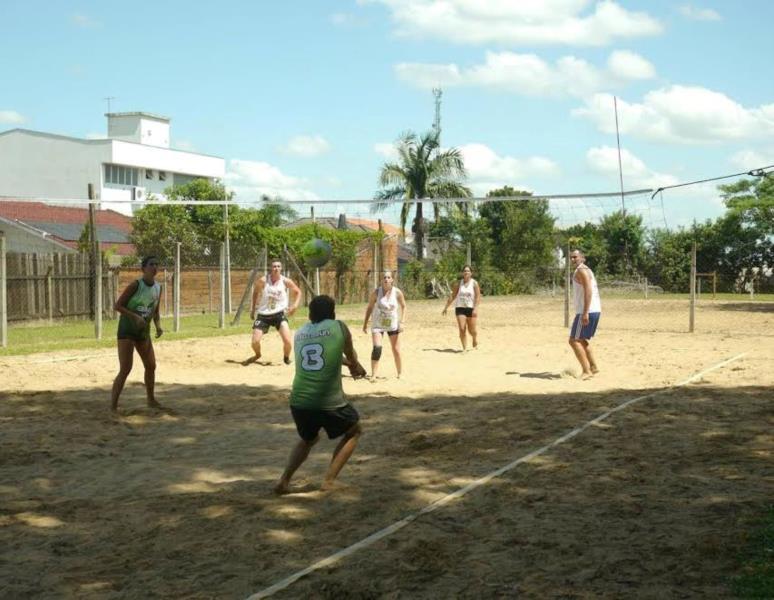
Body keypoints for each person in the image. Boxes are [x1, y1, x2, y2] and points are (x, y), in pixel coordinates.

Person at [274, 295, 367, 494]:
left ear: (310, 314)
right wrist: (354, 367)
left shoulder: (300, 332)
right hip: (328, 400)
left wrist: (349, 365)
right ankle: (329, 481)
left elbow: (323, 352)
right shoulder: (339, 327)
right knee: (354, 430)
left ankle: (284, 481)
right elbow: (350, 356)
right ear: (332, 313)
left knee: (308, 439)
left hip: (299, 401)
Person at [110, 256, 164, 413]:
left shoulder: (158, 288)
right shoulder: (136, 285)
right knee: (126, 368)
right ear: (143, 268)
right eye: (151, 264)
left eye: (156, 264)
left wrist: (158, 326)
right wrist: (135, 317)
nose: (154, 267)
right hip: (127, 331)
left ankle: (151, 400)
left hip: (143, 332)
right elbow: (117, 306)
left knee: (151, 365)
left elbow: (156, 310)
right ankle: (113, 407)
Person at [243, 259, 301, 365]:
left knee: (288, 341)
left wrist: (295, 306)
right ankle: (257, 354)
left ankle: (286, 358)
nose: (276, 268)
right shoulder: (263, 280)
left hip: (279, 314)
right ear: (271, 268)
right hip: (263, 315)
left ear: (281, 268)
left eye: (278, 266)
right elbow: (255, 293)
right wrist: (252, 309)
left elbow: (298, 292)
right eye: (274, 266)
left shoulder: (285, 281)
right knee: (255, 341)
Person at [362, 271, 407, 379]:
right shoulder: (376, 292)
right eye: (384, 277)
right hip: (378, 324)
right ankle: (374, 375)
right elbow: (369, 307)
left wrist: (402, 322)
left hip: (392, 324)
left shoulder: (397, 292)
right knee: (377, 348)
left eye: (388, 277)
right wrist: (365, 323)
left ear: (392, 279)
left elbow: (404, 306)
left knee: (396, 349)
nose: (386, 279)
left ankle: (400, 373)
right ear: (381, 280)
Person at [568, 249, 601, 380]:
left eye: (575, 257)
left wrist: (585, 312)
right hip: (593, 309)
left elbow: (588, 289)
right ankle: (593, 366)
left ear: (582, 258)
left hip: (587, 310)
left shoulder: (582, 270)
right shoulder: (586, 269)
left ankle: (586, 371)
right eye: (570, 258)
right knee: (581, 339)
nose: (572, 260)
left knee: (574, 340)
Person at [442, 265, 481, 351]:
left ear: (471, 273)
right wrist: (446, 307)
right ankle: (464, 348)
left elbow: (478, 297)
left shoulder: (474, 283)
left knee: (472, 331)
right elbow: (453, 295)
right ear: (462, 273)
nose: (466, 272)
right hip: (460, 308)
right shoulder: (459, 283)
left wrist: (475, 308)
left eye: (468, 271)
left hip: (470, 308)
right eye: (465, 271)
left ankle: (474, 339)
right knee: (462, 328)